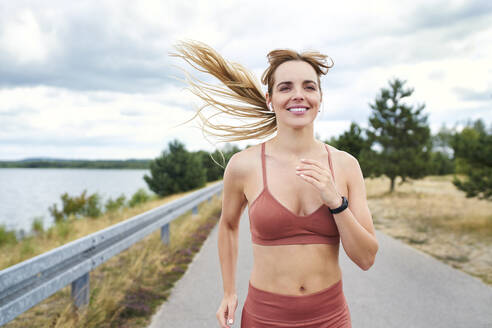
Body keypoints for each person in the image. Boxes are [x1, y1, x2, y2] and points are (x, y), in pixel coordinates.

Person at [171, 40, 379, 328]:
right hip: (265, 317)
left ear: (320, 98)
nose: (298, 95)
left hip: (330, 317)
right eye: (285, 87)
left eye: (309, 86)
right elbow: (229, 224)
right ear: (270, 99)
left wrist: (336, 203)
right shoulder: (244, 165)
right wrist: (229, 292)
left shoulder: (345, 166)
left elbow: (366, 258)